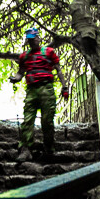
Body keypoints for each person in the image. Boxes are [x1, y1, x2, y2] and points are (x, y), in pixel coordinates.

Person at [9, 27, 69, 161]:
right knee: (28, 120)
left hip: (46, 89)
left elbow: (58, 70)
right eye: (29, 40)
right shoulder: (24, 56)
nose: (31, 42)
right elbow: (21, 72)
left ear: (38, 38)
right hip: (31, 91)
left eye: (33, 39)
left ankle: (49, 149)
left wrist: (65, 87)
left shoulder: (49, 52)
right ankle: (25, 149)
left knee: (47, 121)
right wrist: (15, 79)